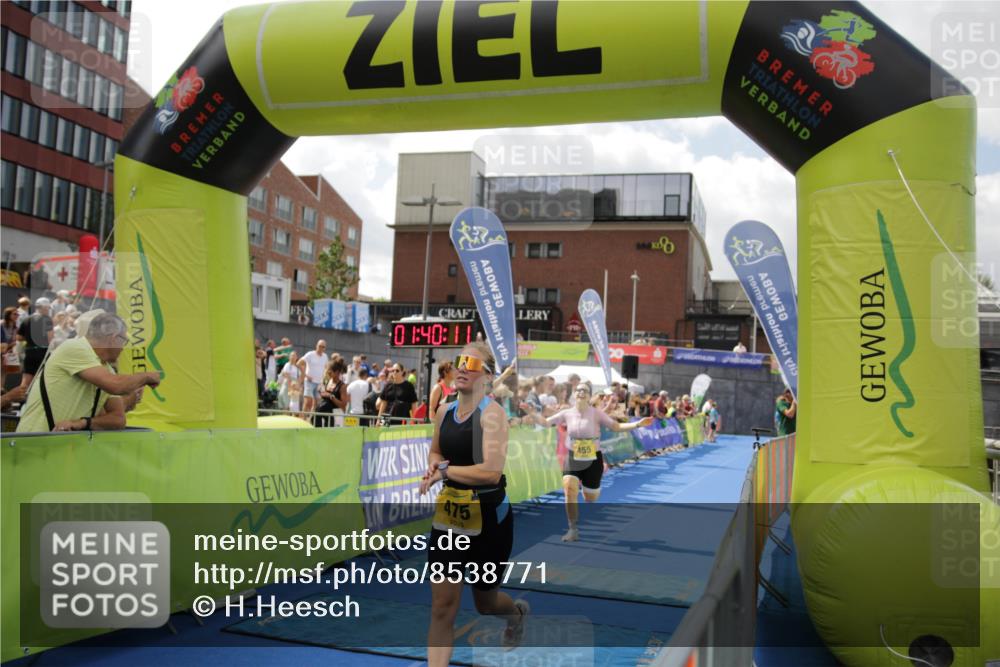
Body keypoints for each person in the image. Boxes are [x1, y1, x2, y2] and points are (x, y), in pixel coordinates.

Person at [418, 343, 528, 663]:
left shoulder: (493, 415)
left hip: (489, 520)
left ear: (487, 376)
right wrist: (434, 466)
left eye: (471, 363)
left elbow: (491, 473)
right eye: (459, 361)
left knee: (486, 604)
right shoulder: (444, 411)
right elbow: (436, 451)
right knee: (441, 608)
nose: (462, 368)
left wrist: (444, 472)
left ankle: (516, 616)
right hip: (450, 518)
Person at [524, 383, 653, 542]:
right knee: (569, 488)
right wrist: (531, 413)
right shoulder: (566, 413)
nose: (581, 392)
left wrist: (638, 424)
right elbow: (545, 423)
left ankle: (589, 490)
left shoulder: (597, 414)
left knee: (590, 497)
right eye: (578, 390)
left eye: (584, 390)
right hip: (573, 457)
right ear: (574, 394)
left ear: (589, 395)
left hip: (593, 460)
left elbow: (616, 426)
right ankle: (572, 528)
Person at [15, 313, 161, 432]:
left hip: (59, 448)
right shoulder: (75, 348)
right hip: (33, 443)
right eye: (124, 341)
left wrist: (82, 423)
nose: (123, 348)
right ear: (114, 338)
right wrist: (147, 376)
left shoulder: (105, 369)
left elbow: (117, 419)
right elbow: (115, 385)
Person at [17, 297, 53, 391]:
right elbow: (50, 338)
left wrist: (29, 338)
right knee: (43, 379)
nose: (48, 310)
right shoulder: (47, 319)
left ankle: (21, 400)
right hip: (43, 352)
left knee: (26, 378)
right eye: (47, 308)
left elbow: (19, 337)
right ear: (43, 307)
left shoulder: (27, 319)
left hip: (29, 351)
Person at [298, 340, 328, 416]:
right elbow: (298, 363)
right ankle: (302, 421)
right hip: (309, 382)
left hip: (319, 383)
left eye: (323, 347)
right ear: (316, 346)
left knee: (317, 404)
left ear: (325, 348)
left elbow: (326, 368)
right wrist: (305, 375)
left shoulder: (325, 356)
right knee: (307, 402)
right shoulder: (310, 354)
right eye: (320, 346)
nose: (321, 348)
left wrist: (324, 380)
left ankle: (311, 420)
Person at [316, 358, 348, 427]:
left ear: (337, 372)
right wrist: (322, 393)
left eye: (330, 372)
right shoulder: (326, 381)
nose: (328, 374)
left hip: (335, 418)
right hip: (322, 416)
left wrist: (331, 396)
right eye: (327, 372)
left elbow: (343, 405)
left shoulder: (342, 386)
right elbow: (321, 393)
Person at [278, 351, 303, 416]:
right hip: (288, 385)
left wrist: (298, 386)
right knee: (286, 403)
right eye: (291, 355)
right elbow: (287, 375)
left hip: (294, 386)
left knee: (293, 405)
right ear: (289, 357)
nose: (292, 357)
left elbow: (300, 378)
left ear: (296, 358)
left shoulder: (297, 368)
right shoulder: (287, 365)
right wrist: (290, 387)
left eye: (294, 356)